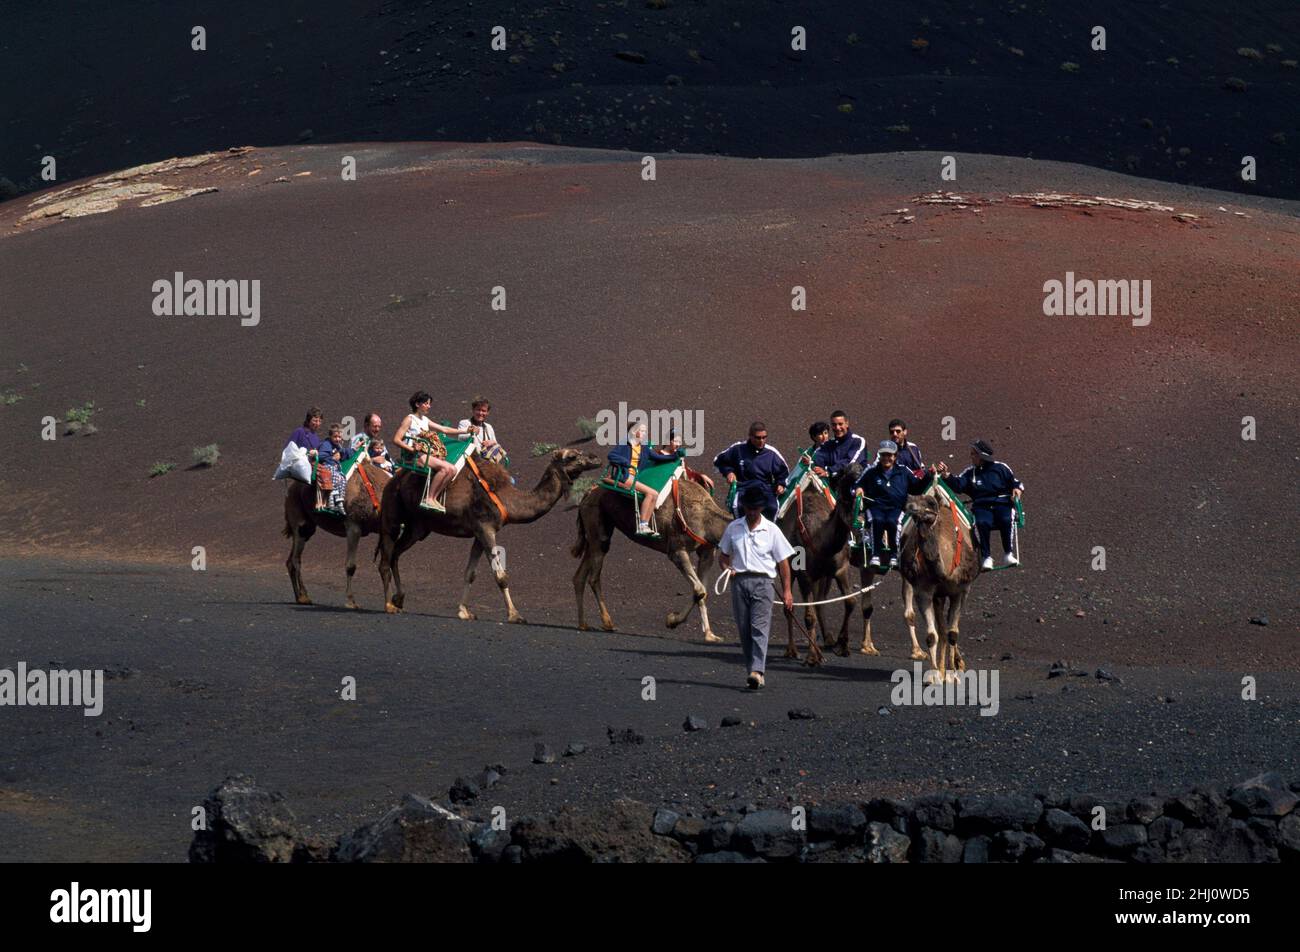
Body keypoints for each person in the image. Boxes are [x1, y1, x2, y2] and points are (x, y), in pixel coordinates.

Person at [718, 485, 796, 690]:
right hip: (739, 582)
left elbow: (783, 563)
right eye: (749, 508)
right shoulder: (733, 527)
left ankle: (757, 671)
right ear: (744, 507)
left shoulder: (772, 530)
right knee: (744, 630)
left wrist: (787, 591)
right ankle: (752, 671)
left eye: (755, 508)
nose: (752, 512)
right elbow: (723, 556)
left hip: (764, 583)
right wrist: (728, 568)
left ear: (761, 508)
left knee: (759, 628)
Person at [938, 439, 1024, 570]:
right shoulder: (970, 472)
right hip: (981, 505)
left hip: (1002, 502)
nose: (971, 456)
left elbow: (1016, 483)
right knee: (982, 522)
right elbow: (959, 484)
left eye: (973, 454)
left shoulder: (1001, 468)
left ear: (982, 455)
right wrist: (946, 475)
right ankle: (986, 557)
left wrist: (1017, 490)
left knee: (1006, 519)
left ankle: (1008, 553)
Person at [854, 440, 935, 569]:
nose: (887, 458)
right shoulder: (871, 472)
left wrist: (929, 476)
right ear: (879, 456)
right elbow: (858, 484)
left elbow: (916, 488)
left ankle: (894, 555)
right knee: (877, 520)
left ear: (895, 456)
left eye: (889, 455)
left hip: (896, 508)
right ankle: (876, 554)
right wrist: (859, 489)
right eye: (884, 455)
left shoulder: (903, 471)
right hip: (876, 507)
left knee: (893, 522)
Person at [393, 391, 477, 512]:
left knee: (453, 469)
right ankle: (429, 498)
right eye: (426, 403)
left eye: (429, 404)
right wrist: (411, 448)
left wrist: (466, 431)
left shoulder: (425, 420)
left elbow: (444, 429)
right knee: (445, 468)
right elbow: (396, 439)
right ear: (417, 404)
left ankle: (434, 497)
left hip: (426, 454)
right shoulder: (409, 419)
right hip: (416, 456)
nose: (429, 406)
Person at [607, 423, 682, 535]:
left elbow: (658, 457)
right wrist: (625, 463)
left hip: (635, 478)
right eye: (641, 431)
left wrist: (675, 456)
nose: (644, 433)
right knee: (650, 493)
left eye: (644, 431)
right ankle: (642, 525)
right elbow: (611, 455)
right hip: (624, 476)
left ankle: (644, 524)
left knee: (655, 494)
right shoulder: (624, 444)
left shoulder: (644, 447)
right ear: (633, 432)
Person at [713, 421, 790, 520]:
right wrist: (729, 472)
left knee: (772, 508)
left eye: (764, 437)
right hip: (743, 488)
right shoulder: (738, 449)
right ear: (750, 436)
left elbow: (783, 473)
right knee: (738, 507)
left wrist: (781, 484)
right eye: (758, 438)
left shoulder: (772, 453)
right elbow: (718, 461)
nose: (761, 441)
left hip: (765, 489)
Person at [811, 410, 867, 480]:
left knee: (853, 469)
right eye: (834, 425)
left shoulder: (857, 441)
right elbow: (817, 456)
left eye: (840, 424)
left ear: (847, 424)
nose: (837, 428)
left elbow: (849, 462)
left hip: (856, 485)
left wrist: (828, 471)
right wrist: (811, 462)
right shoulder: (829, 444)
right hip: (834, 483)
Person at [316, 423, 356, 512]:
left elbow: (344, 453)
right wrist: (332, 457)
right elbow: (321, 456)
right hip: (327, 466)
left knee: (342, 478)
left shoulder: (338, 446)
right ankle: (330, 500)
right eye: (335, 437)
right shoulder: (326, 444)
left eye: (339, 437)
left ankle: (339, 500)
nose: (338, 439)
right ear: (330, 436)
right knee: (334, 475)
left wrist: (354, 449)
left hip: (335, 468)